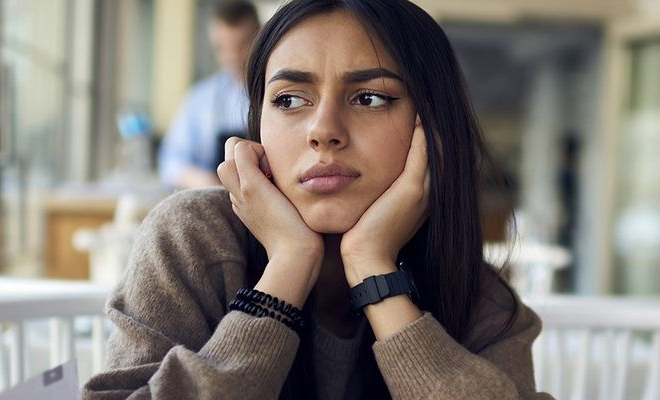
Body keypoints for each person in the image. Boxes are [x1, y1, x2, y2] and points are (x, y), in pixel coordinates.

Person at [84, 0, 551, 398]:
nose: (323, 131)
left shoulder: (476, 293)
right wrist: (288, 265)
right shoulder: (191, 237)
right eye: (289, 100)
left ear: (431, 129)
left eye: (369, 98)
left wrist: (374, 270)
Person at [158, 0, 260, 189]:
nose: (233, 56)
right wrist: (208, 183)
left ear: (260, 38)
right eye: (222, 48)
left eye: (241, 45)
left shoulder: (277, 93)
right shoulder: (200, 98)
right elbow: (171, 164)